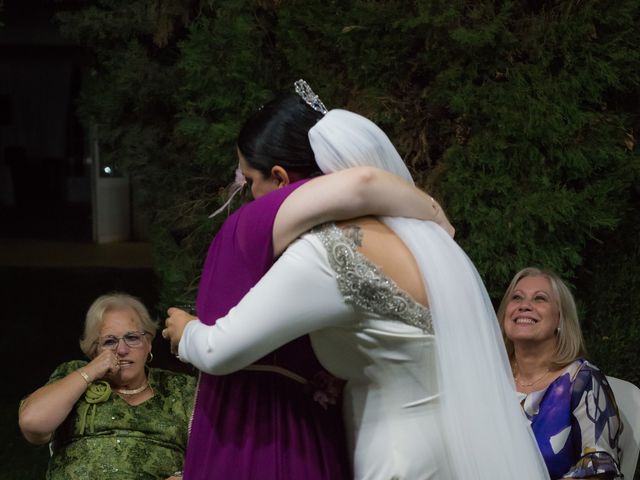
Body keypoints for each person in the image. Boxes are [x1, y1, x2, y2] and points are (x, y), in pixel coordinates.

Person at [165, 82, 550, 479]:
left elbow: (219, 350)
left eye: (250, 181)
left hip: (397, 457)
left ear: (279, 179)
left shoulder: (327, 253)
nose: (250, 196)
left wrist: (186, 331)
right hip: (464, 448)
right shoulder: (423, 236)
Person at [18, 293, 195, 480]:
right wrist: (91, 370)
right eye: (109, 341)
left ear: (148, 343)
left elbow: (216, 452)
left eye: (132, 338)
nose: (122, 350)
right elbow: (32, 423)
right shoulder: (73, 374)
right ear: (95, 350)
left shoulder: (178, 387)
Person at [497, 267, 623, 479]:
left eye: (540, 299)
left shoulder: (583, 381)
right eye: (516, 297)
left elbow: (600, 467)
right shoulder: (490, 376)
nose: (524, 306)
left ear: (560, 320)